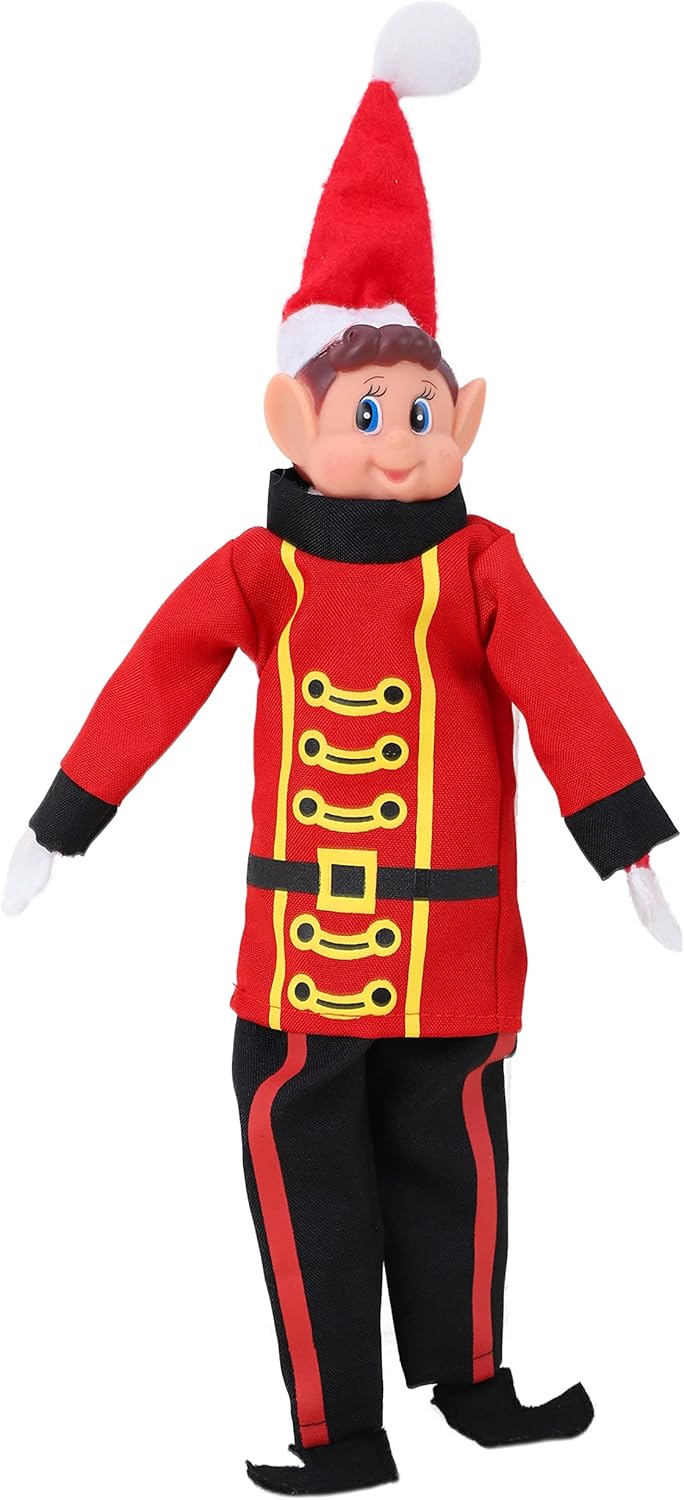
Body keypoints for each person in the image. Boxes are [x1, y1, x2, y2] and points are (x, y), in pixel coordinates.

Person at [3, 7, 679, 1494]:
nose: (398, 439)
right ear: (293, 417)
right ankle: (339, 1428)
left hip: (456, 954)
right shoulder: (261, 571)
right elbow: (155, 680)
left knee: (461, 1159)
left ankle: (473, 1384)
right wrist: (61, 822)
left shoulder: (483, 563)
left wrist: (627, 838)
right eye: (369, 410)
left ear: (466, 419)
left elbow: (562, 694)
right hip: (303, 955)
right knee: (304, 1169)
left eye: (422, 410)